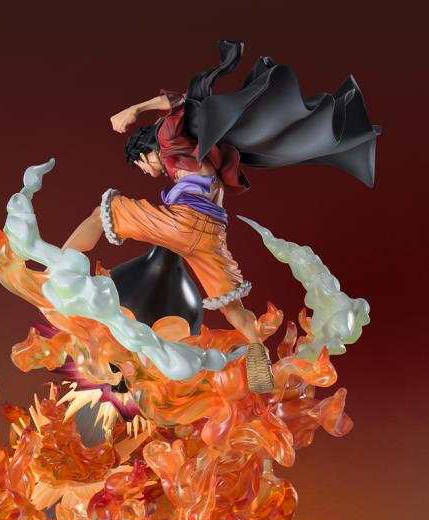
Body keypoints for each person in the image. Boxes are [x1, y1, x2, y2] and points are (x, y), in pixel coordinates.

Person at [62, 41, 379, 394]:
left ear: (146, 152)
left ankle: (59, 273)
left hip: (181, 223)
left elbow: (177, 102)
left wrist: (133, 110)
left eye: (141, 165)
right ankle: (259, 356)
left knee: (104, 211)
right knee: (232, 307)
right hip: (211, 237)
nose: (147, 172)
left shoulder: (170, 144)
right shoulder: (204, 158)